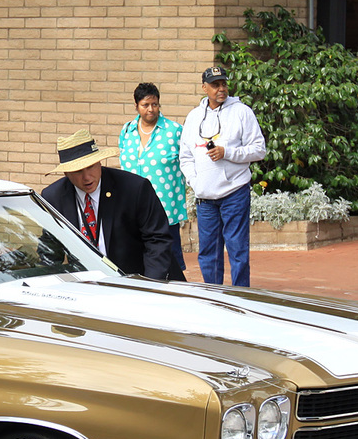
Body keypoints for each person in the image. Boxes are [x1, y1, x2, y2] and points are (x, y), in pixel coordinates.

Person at [41, 128, 174, 279]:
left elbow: (157, 240)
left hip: (136, 280)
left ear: (99, 162)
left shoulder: (135, 188)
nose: (86, 177)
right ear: (66, 173)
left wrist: (150, 284)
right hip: (85, 284)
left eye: (90, 166)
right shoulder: (53, 197)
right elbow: (49, 250)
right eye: (78, 171)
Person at [179, 65, 267, 286]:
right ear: (204, 88)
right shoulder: (193, 116)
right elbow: (185, 156)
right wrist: (195, 181)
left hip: (234, 192)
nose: (221, 89)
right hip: (205, 197)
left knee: (237, 249)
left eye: (224, 84)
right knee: (208, 252)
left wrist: (227, 153)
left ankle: (240, 297)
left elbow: (259, 149)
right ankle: (213, 297)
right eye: (215, 85)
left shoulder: (242, 112)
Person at [118, 82, 187, 279]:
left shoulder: (174, 131)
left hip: (165, 207)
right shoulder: (127, 130)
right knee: (137, 255)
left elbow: (186, 165)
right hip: (133, 206)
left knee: (171, 257)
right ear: (136, 106)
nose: (151, 109)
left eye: (155, 104)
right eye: (145, 105)